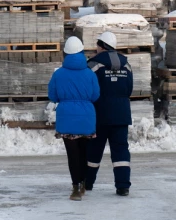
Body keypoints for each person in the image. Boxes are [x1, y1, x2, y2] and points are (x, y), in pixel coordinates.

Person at [48, 36, 100, 201]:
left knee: (72, 155)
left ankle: (76, 188)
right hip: (87, 117)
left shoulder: (59, 74)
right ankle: (84, 183)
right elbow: (95, 95)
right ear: (81, 52)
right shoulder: (90, 73)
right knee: (84, 152)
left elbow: (52, 95)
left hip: (67, 117)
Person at [85, 31, 133, 196]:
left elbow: (88, 89)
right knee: (120, 151)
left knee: (94, 150)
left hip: (100, 115)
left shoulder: (93, 65)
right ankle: (123, 186)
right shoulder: (126, 65)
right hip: (121, 115)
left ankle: (87, 183)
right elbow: (129, 89)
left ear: (101, 46)